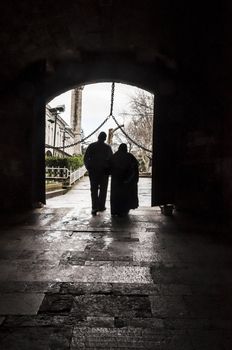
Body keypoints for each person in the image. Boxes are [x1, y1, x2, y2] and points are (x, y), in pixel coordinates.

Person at [84, 131, 113, 215]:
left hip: (93, 171)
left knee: (93, 190)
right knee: (103, 190)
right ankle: (101, 206)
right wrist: (109, 170)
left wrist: (88, 167)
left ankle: (94, 207)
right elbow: (111, 160)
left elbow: (86, 158)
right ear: (105, 138)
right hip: (104, 172)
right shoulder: (108, 148)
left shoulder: (91, 146)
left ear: (98, 137)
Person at [110, 143, 139, 216]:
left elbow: (109, 166)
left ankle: (115, 210)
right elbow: (135, 166)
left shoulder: (115, 156)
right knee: (125, 196)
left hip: (116, 180)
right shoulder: (129, 156)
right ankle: (124, 210)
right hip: (126, 180)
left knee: (116, 196)